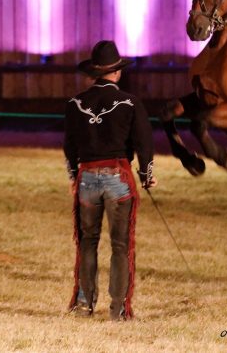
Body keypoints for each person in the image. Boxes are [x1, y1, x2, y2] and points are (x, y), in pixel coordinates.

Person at [64, 40, 156, 320]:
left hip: (87, 178)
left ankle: (83, 304)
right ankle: (118, 310)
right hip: (118, 178)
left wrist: (72, 175)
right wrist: (146, 176)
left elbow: (69, 145)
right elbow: (144, 143)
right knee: (121, 246)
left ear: (94, 73)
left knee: (87, 243)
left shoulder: (75, 103)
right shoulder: (130, 102)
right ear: (116, 73)